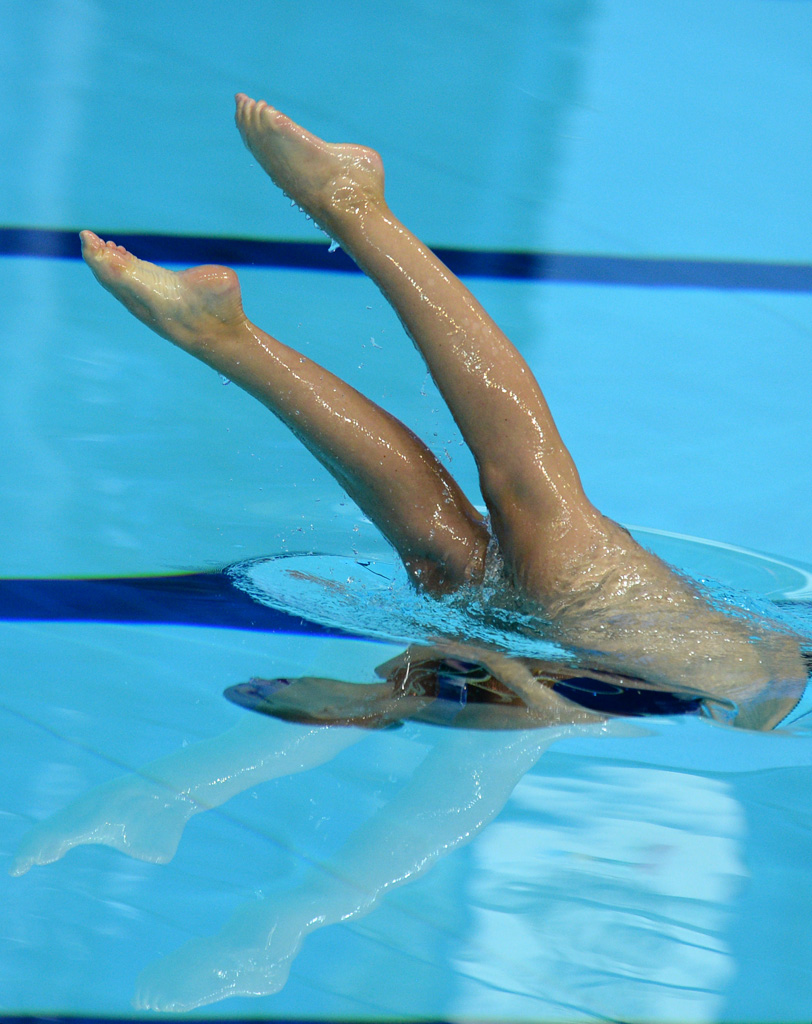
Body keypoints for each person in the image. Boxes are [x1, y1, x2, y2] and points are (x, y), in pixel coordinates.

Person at [80, 94, 810, 733]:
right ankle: (349, 205)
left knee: (443, 557)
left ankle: (221, 335)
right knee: (529, 496)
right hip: (681, 665)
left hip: (652, 684)